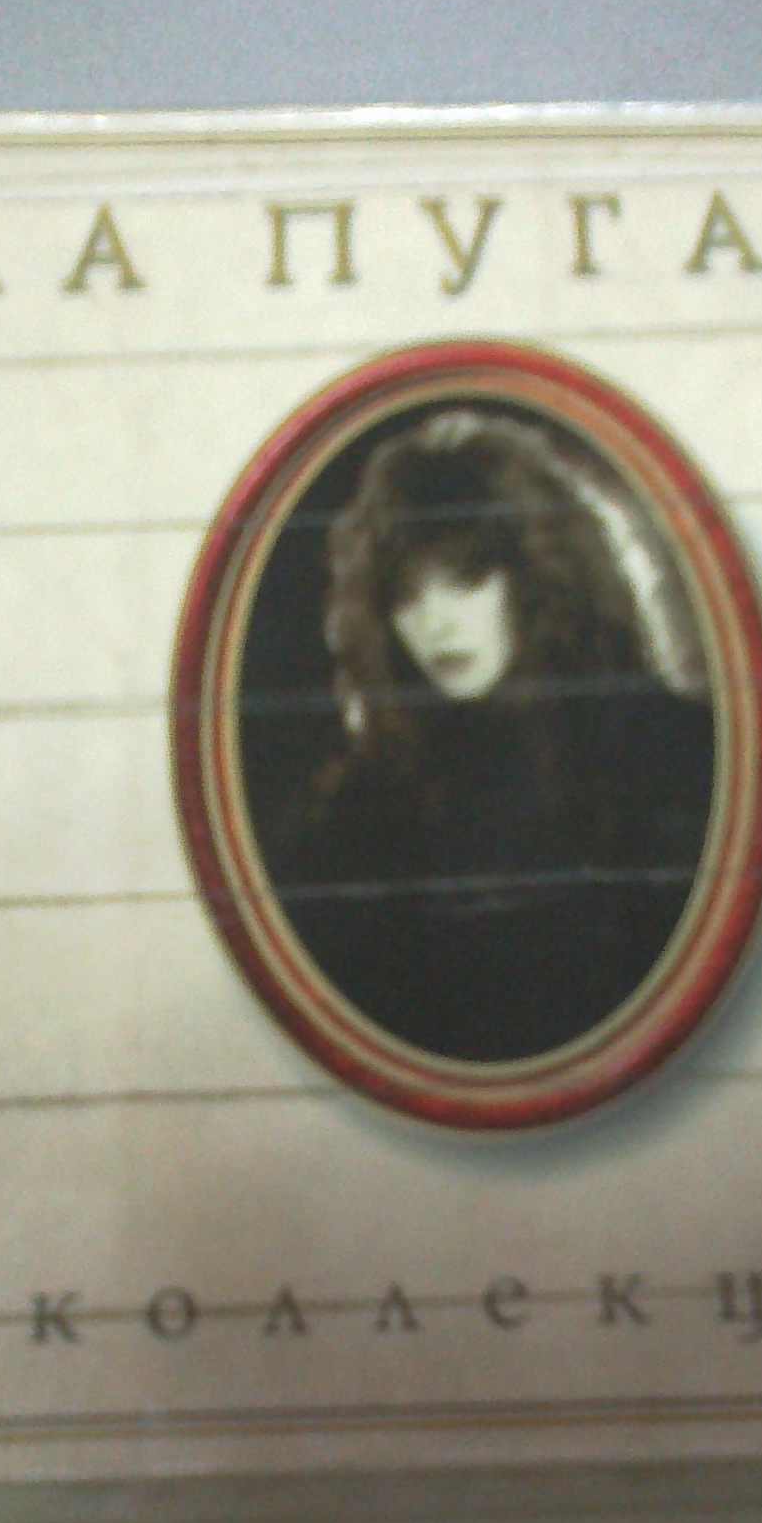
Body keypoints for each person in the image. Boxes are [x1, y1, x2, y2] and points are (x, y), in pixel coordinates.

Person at [264, 407, 718, 1064]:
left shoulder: (668, 751)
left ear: (535, 580)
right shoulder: (364, 813)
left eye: (466, 581)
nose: (437, 625)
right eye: (407, 596)